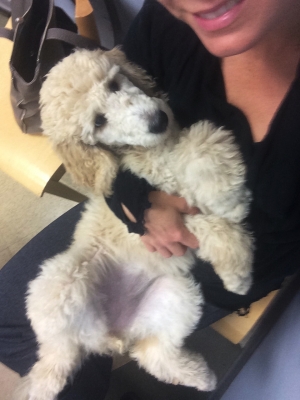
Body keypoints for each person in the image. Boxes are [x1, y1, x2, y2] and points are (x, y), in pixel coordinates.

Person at [1, 0, 300, 398]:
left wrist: (190, 222)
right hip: (117, 221)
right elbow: (101, 163)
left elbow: (258, 256)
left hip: (210, 263)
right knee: (13, 317)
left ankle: (142, 352)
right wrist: (143, 205)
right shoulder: (165, 20)